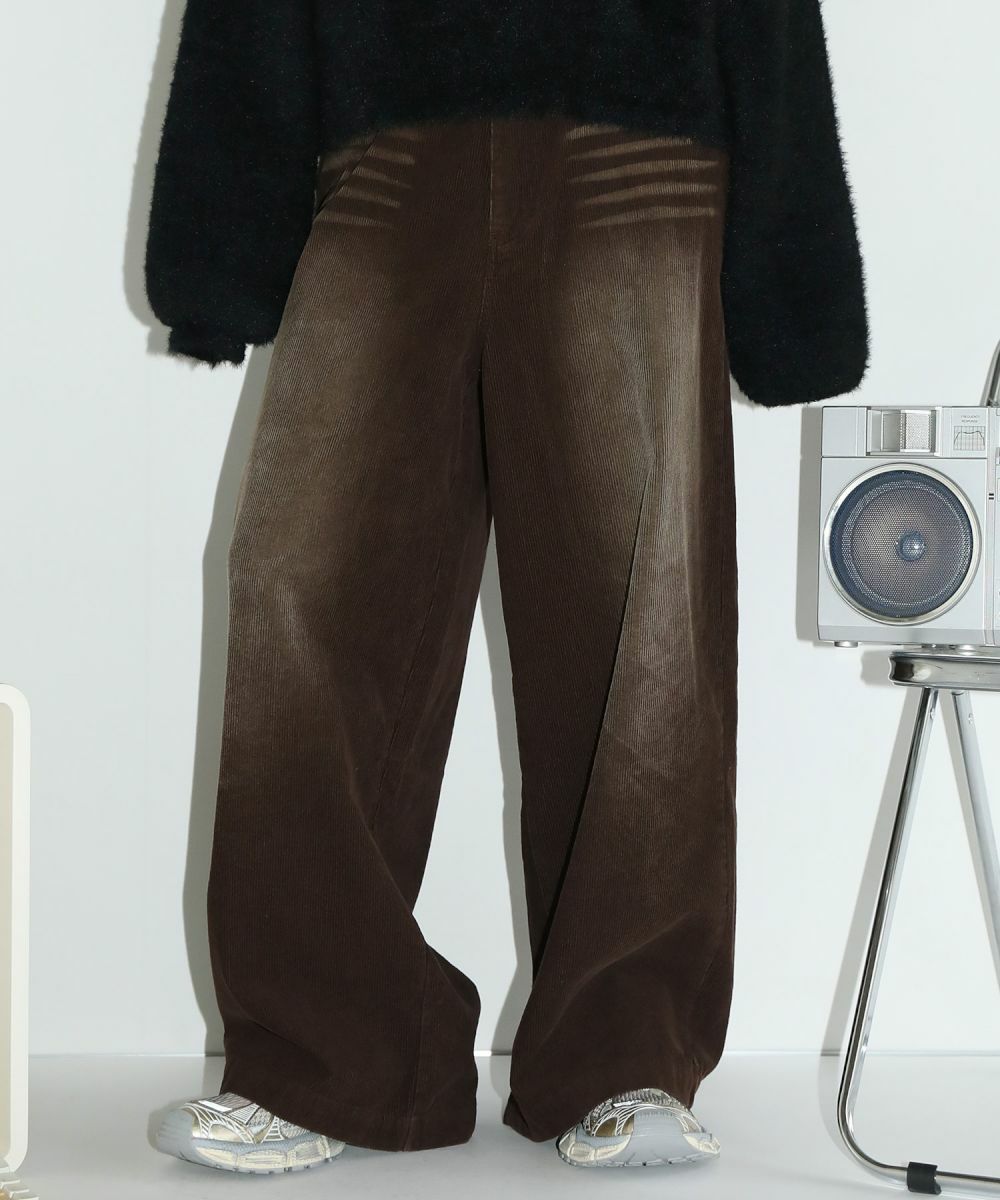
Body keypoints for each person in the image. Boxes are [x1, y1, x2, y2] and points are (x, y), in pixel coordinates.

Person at [143, 0, 869, 1175]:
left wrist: (793, 290)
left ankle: (621, 1057)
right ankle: (324, 1062)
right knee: (302, 594)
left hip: (634, 151)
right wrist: (218, 252)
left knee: (643, 618)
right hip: (386, 158)